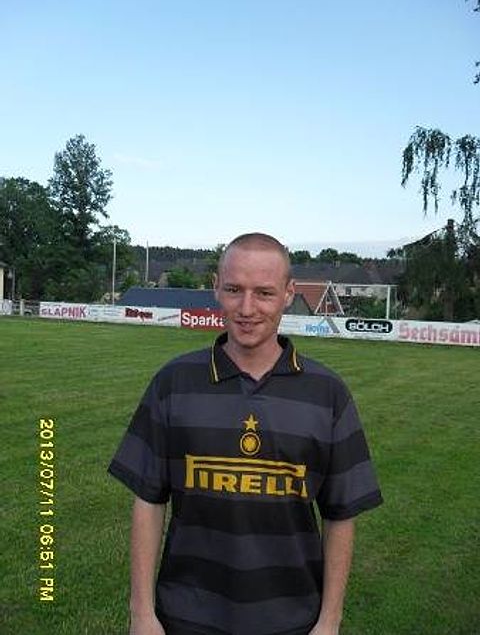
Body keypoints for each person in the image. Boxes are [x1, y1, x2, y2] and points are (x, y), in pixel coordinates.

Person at [108, 233, 383, 635]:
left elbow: (340, 515)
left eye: (264, 293)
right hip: (186, 617)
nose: (247, 308)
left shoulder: (327, 393)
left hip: (292, 620)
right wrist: (142, 614)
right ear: (216, 287)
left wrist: (330, 620)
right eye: (234, 289)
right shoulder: (173, 382)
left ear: (288, 293)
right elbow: (148, 501)